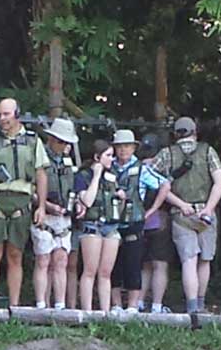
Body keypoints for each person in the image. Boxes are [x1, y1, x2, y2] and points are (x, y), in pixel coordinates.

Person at [0, 97, 49, 307]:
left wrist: (41, 206)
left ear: (17, 114)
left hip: (22, 200)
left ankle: (14, 305)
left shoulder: (33, 141)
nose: (2, 118)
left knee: (16, 254)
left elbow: (41, 174)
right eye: (0, 114)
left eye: (6, 114)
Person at [155, 116, 221, 313]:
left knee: (189, 260)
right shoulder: (208, 151)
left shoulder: (166, 154)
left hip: (181, 213)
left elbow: (153, 181)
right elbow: (220, 182)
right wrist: (209, 209)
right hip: (206, 213)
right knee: (205, 260)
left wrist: (180, 203)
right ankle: (201, 306)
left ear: (175, 134)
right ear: (195, 131)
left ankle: (191, 307)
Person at [109, 129, 163, 314]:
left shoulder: (142, 169)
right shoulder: (108, 166)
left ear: (133, 148)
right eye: (119, 146)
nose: (123, 150)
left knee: (133, 264)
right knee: (113, 266)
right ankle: (115, 305)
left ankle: (132, 306)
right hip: (112, 223)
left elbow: (164, 184)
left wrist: (152, 210)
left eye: (126, 146)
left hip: (134, 223)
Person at [30, 117, 79, 309]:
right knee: (43, 259)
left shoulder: (68, 162)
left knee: (61, 260)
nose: (63, 145)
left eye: (66, 142)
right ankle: (41, 303)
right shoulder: (39, 159)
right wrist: (48, 206)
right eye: (60, 141)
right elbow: (31, 190)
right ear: (51, 139)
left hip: (64, 217)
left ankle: (60, 305)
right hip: (44, 215)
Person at [74, 138, 121, 313]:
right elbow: (87, 200)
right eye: (108, 155)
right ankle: (86, 311)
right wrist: (96, 175)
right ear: (97, 157)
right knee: (89, 270)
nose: (112, 159)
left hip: (110, 226)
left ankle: (105, 311)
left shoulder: (113, 175)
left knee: (106, 272)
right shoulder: (83, 175)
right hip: (92, 225)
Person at [137, 132, 174, 313]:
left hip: (139, 220)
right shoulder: (160, 168)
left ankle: (139, 302)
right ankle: (157, 305)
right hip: (159, 219)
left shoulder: (136, 166)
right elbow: (166, 188)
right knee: (160, 264)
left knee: (144, 264)